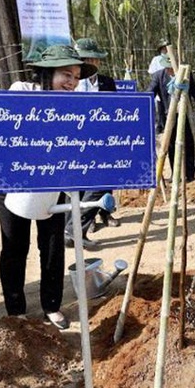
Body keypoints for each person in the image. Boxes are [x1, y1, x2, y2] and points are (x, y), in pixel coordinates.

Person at [0, 45, 98, 330]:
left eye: (76, 76)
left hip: (55, 184)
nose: (72, 82)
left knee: (53, 246)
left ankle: (52, 306)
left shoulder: (74, 103)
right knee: (15, 246)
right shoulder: (21, 90)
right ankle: (16, 311)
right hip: (14, 184)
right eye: (66, 74)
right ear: (45, 73)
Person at [63, 38, 121, 250]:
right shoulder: (71, 83)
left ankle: (75, 230)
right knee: (75, 187)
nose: (90, 63)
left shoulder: (107, 83)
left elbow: (114, 110)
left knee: (103, 181)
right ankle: (74, 231)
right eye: (85, 59)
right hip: (74, 142)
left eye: (93, 59)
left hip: (101, 142)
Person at [147, 54, 195, 181]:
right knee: (170, 145)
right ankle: (174, 174)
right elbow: (149, 93)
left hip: (185, 115)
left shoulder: (186, 75)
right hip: (168, 116)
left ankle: (190, 174)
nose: (170, 70)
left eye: (172, 67)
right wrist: (141, 107)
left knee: (189, 144)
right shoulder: (159, 76)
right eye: (168, 68)